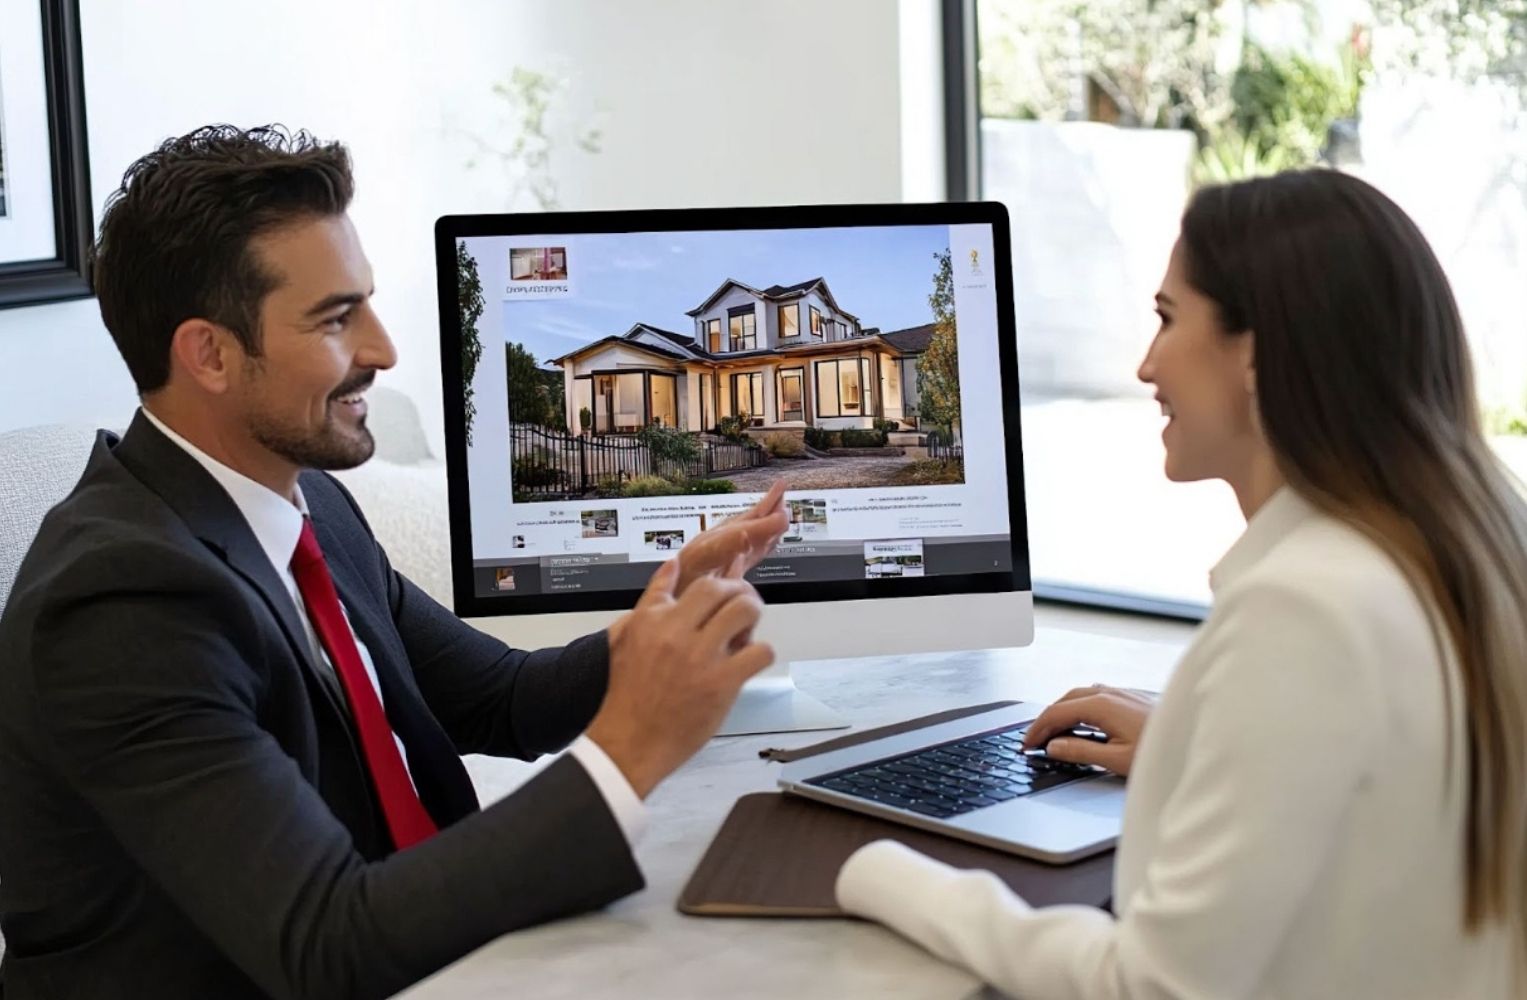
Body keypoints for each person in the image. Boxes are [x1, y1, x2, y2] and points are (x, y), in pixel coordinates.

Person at [0, 125, 788, 1000]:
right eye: (337, 318)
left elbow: (500, 701)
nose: (383, 349)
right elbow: (325, 944)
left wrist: (669, 616)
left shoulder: (307, 507)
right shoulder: (122, 603)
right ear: (210, 354)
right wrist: (629, 750)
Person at [835, 169, 1527, 997]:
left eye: (1166, 320)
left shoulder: (1305, 609)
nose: (1144, 364)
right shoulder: (1473, 533)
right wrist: (1198, 747)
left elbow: (1150, 986)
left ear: (1256, 353)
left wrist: (877, 873)